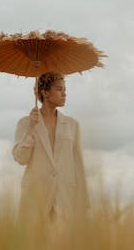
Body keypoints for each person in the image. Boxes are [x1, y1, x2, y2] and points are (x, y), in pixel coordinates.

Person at [12, 72, 90, 228]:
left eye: (65, 89)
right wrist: (30, 129)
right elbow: (21, 159)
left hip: (64, 194)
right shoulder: (25, 123)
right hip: (36, 194)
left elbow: (78, 164)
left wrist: (83, 201)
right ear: (45, 92)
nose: (65, 94)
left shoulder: (72, 125)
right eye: (59, 89)